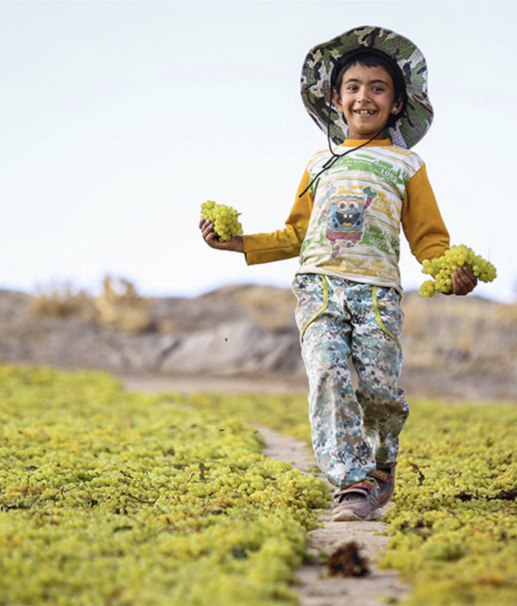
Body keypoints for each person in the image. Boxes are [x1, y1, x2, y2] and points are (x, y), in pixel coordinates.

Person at [199, 26, 476, 521]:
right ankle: (351, 482)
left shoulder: (407, 165)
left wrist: (450, 271)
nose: (363, 96)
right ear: (335, 98)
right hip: (318, 288)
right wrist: (235, 243)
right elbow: (294, 235)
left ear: (395, 104)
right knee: (327, 373)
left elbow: (429, 238)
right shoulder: (319, 164)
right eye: (352, 87)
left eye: (377, 88)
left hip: (377, 297)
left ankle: (382, 462)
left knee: (380, 391)